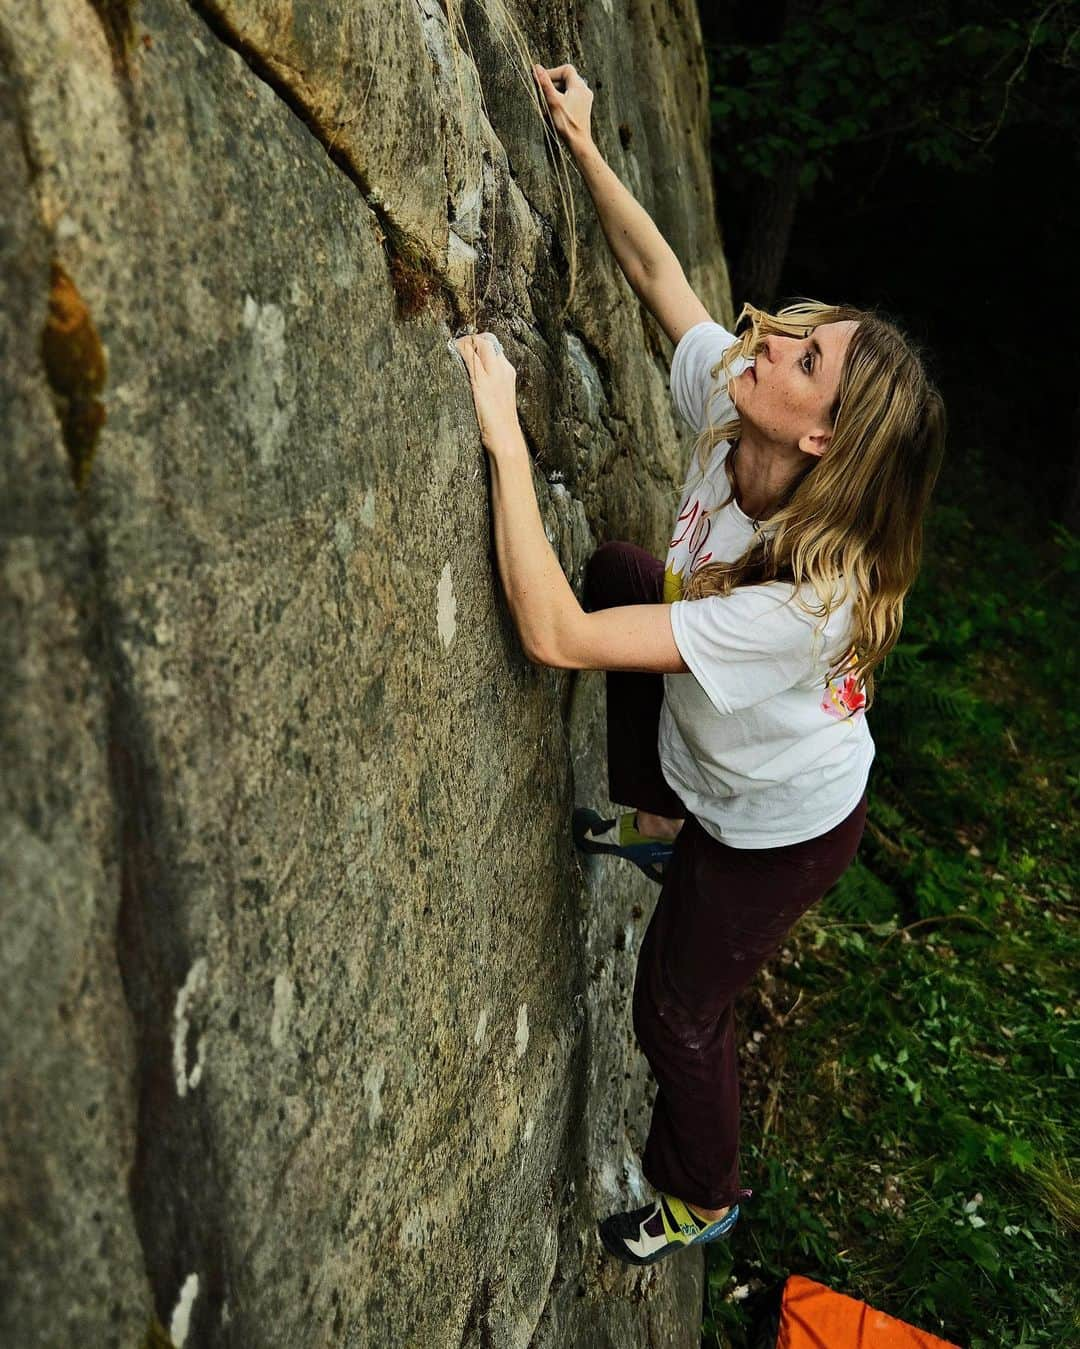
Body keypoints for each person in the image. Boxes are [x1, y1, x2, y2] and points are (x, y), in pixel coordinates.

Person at [454, 62, 945, 1269]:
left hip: (786, 822)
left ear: (820, 438)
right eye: (798, 330)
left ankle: (702, 1189)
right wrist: (578, 140)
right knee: (629, 570)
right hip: (723, 760)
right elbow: (657, 275)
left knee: (674, 1009)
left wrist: (506, 436)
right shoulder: (738, 409)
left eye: (804, 359)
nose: (771, 334)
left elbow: (555, 640)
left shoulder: (802, 598)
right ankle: (670, 823)